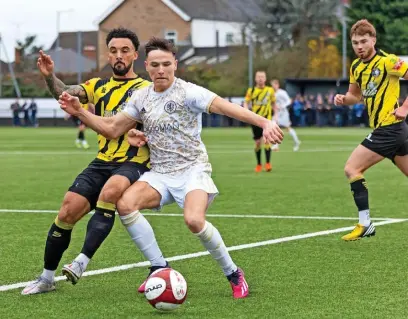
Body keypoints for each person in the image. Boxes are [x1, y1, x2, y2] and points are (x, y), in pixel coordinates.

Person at [58, 37, 284, 299]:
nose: (161, 70)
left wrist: (265, 123)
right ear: (147, 66)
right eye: (155, 65)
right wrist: (81, 113)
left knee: (194, 220)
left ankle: (233, 273)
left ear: (175, 64)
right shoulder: (141, 97)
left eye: (166, 64)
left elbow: (228, 108)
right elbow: (112, 128)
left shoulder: (189, 92)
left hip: (193, 170)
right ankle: (159, 268)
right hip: (160, 173)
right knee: (125, 204)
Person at [22, 28, 169, 295]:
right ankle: (46, 279)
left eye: (125, 50)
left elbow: (162, 127)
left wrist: (146, 135)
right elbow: (66, 94)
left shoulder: (147, 90)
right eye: (113, 51)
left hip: (133, 162)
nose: (119, 55)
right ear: (108, 55)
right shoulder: (97, 86)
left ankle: (81, 262)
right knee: (67, 210)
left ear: (135, 55)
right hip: (102, 160)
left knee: (110, 192)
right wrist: (49, 77)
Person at [334, 19, 408, 241]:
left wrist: (405, 107)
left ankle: (365, 223)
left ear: (373, 40)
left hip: (389, 129)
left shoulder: (388, 62)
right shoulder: (356, 66)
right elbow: (355, 96)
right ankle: (365, 224)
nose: (359, 46)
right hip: (394, 131)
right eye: (355, 42)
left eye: (364, 41)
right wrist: (343, 99)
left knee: (351, 168)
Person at [243, 71, 276, 172]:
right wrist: (246, 111)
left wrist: (276, 116)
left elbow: (274, 104)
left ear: (265, 79)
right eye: (258, 77)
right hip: (256, 120)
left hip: (267, 120)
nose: (260, 78)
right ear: (255, 79)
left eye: (262, 77)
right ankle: (258, 164)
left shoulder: (270, 90)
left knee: (267, 141)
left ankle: (268, 164)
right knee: (257, 142)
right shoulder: (251, 90)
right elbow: (246, 102)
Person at [270, 79, 301, 151]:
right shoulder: (272, 93)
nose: (273, 87)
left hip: (284, 113)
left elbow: (289, 101)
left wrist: (283, 106)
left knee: (288, 128)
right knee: (273, 126)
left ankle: (296, 142)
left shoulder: (282, 92)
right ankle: (275, 145)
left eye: (274, 85)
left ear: (277, 85)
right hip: (277, 113)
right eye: (272, 85)